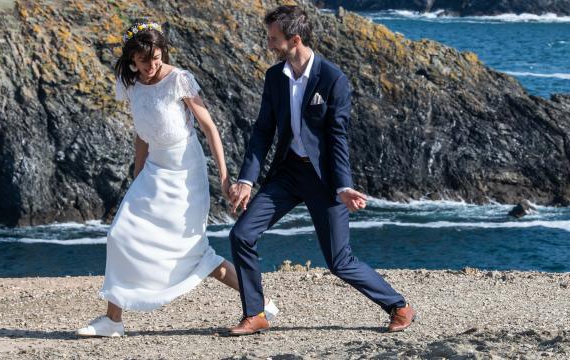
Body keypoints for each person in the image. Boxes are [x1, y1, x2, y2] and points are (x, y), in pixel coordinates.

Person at [76, 20, 278, 337]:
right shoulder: (129, 84)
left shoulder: (179, 80)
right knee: (119, 235)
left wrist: (225, 178)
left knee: (195, 253)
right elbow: (142, 135)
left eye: (157, 57)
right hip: (153, 169)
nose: (153, 65)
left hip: (186, 174)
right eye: (145, 60)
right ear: (132, 60)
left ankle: (258, 300)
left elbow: (210, 128)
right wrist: (137, 177)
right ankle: (112, 320)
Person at [227, 6, 415, 336]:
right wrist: (246, 179)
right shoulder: (274, 77)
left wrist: (343, 186)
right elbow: (262, 132)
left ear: (294, 40)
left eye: (274, 39)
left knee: (339, 261)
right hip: (286, 175)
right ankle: (254, 314)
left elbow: (337, 137)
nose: (269, 44)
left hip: (323, 180)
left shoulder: (332, 79)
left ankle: (398, 306)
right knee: (241, 234)